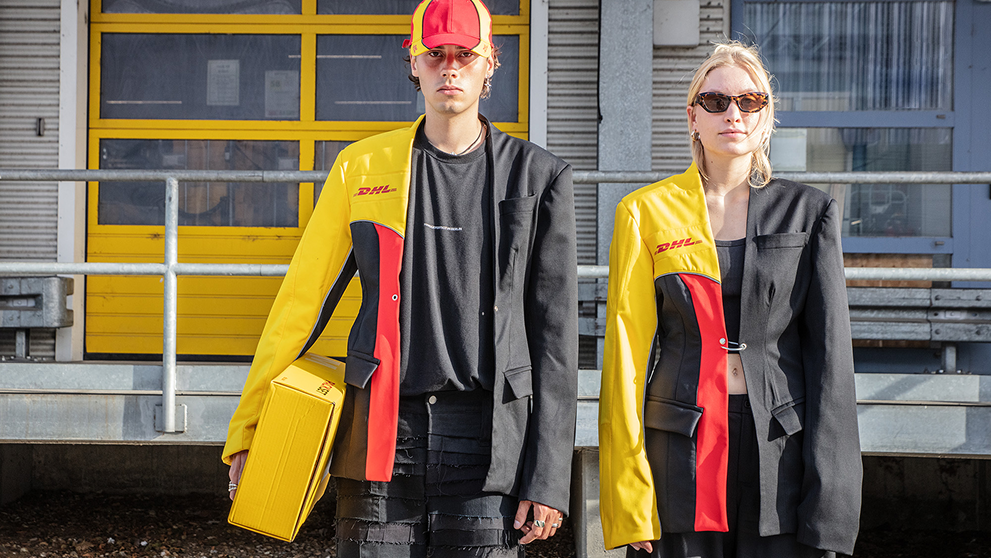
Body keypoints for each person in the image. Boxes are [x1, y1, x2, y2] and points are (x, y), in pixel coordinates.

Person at [223, 0, 579, 556]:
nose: (449, 68)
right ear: (413, 61)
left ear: (490, 62)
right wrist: (250, 427)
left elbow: (555, 342)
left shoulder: (539, 175)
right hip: (381, 438)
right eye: (435, 54)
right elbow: (301, 302)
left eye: (464, 54)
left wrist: (548, 478)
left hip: (488, 445)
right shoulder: (362, 167)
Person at [598, 41, 862, 558]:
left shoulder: (809, 213)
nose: (733, 114)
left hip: (781, 448)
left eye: (749, 100)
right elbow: (625, 360)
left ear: (767, 117)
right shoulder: (645, 212)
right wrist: (629, 496)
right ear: (692, 117)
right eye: (716, 101)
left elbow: (831, 363)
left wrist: (831, 507)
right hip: (680, 450)